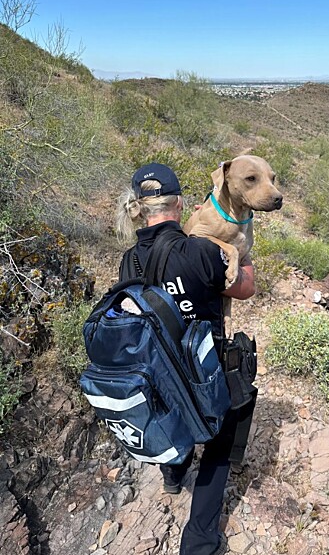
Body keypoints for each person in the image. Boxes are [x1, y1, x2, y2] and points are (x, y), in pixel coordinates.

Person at [116, 162, 255, 555]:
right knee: (218, 443)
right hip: (205, 369)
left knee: (172, 418)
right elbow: (245, 289)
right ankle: (199, 541)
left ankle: (173, 476)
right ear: (180, 205)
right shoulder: (200, 250)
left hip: (157, 370)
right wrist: (244, 258)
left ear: (141, 209)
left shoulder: (130, 260)